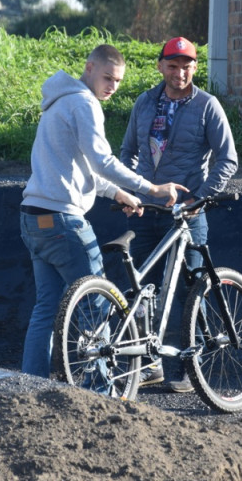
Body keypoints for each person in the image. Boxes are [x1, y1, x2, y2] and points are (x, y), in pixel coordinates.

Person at [20, 44, 187, 378]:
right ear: (89, 67)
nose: (112, 86)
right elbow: (102, 160)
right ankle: (100, 392)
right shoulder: (84, 103)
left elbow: (82, 169)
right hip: (63, 221)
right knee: (98, 305)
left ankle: (32, 386)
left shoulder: (58, 103)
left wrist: (120, 192)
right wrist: (151, 188)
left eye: (119, 81)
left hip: (33, 218)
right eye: (108, 77)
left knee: (45, 310)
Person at [120, 37, 239, 392]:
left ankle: (193, 366)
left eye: (186, 66)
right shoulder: (144, 102)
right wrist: (129, 192)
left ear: (195, 68)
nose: (180, 72)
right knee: (141, 290)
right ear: (160, 66)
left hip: (188, 216)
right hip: (146, 210)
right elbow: (127, 152)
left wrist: (200, 198)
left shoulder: (207, 105)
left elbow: (227, 159)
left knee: (193, 291)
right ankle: (149, 365)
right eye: (172, 65)